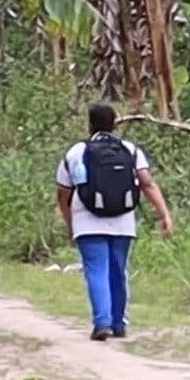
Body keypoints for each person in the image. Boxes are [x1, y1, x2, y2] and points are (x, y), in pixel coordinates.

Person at [55, 103, 175, 341]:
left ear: (89, 124)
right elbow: (147, 183)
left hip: (87, 221)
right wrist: (165, 214)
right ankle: (119, 323)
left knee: (96, 270)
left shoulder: (76, 152)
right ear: (114, 124)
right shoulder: (130, 150)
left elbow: (63, 194)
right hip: (123, 221)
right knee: (118, 271)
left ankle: (102, 323)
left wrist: (71, 224)